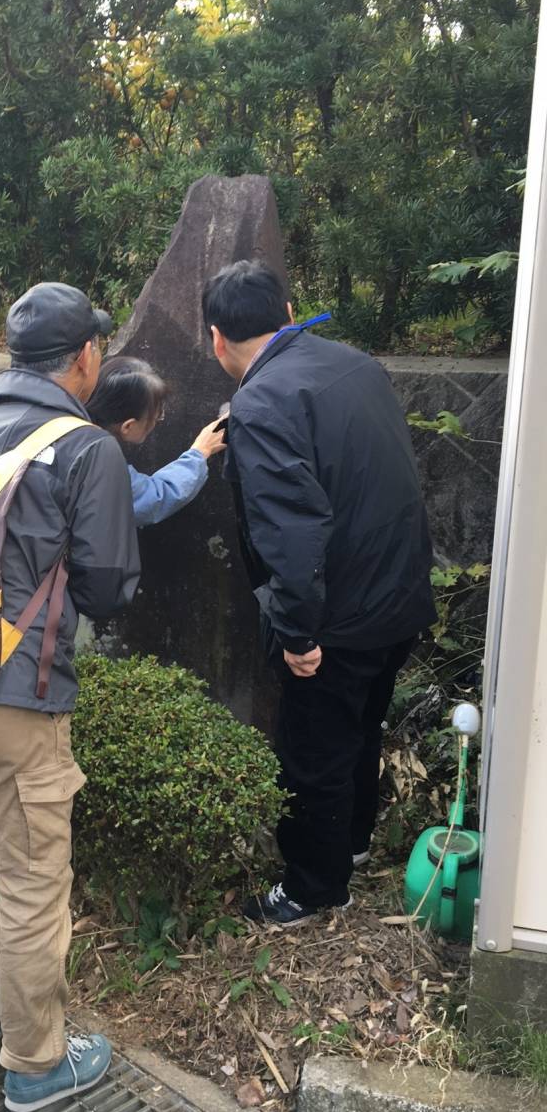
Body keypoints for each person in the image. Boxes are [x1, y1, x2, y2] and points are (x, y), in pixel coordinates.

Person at [0, 282, 140, 1112]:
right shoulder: (85, 448)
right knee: (35, 874)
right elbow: (111, 587)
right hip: (14, 690)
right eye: (98, 349)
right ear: (83, 358)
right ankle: (36, 1062)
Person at [202, 260, 436, 926]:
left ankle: (311, 886)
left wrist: (299, 634)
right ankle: (353, 844)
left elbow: (291, 531)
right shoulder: (355, 364)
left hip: (339, 615)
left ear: (218, 338)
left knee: (314, 751)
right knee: (361, 729)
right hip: (398, 594)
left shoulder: (262, 400)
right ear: (288, 308)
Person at [86, 355, 225, 525]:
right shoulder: (98, 462)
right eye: (155, 417)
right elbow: (153, 498)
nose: (157, 422)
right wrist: (200, 452)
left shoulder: (72, 429)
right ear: (128, 426)